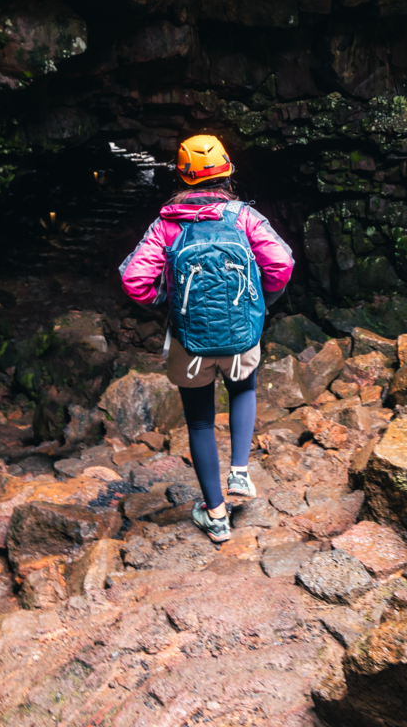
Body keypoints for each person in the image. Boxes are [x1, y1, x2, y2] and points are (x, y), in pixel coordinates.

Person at [118, 134, 294, 542]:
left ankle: (215, 517)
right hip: (240, 332)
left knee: (199, 421)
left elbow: (134, 280)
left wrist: (169, 301)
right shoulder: (244, 218)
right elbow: (281, 264)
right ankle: (240, 473)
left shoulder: (166, 226)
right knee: (242, 388)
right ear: (228, 172)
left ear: (181, 176)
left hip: (189, 341)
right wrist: (259, 303)